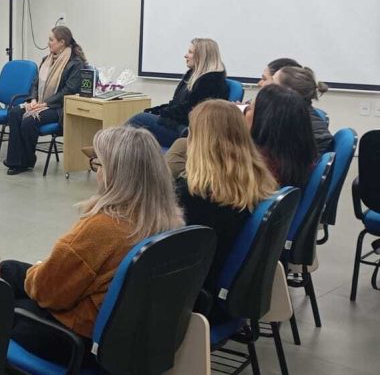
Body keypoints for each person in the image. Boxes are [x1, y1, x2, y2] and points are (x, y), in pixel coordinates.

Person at [0, 126, 184, 367]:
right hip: (129, 337)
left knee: (1, 303)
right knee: (10, 270)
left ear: (116, 174)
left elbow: (48, 295)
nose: (97, 172)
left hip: (80, 341)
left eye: (99, 165)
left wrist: (39, 270)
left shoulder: (103, 228)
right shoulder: (168, 220)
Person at [173, 100, 277, 294]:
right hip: (229, 285)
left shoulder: (195, 194)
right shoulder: (255, 179)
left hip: (194, 291)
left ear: (198, 140)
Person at [3, 26, 86, 174]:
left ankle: (27, 161)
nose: (48, 43)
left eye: (51, 40)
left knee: (29, 121)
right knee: (14, 113)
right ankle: (15, 161)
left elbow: (68, 91)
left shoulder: (75, 63)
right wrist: (33, 100)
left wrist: (45, 103)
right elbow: (35, 84)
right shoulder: (46, 60)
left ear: (62, 42)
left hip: (58, 108)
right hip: (41, 103)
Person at [127, 38, 228, 146]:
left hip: (190, 131)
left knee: (138, 120)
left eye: (190, 52)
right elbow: (177, 104)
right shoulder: (192, 75)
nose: (185, 56)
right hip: (178, 124)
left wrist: (163, 113)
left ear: (202, 56)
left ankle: (119, 152)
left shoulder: (211, 82)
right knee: (141, 123)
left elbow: (193, 112)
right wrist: (157, 110)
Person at [246, 84, 317, 187]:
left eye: (249, 108)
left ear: (264, 119)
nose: (245, 113)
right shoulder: (295, 156)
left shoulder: (259, 165)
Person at [273, 66, 332, 152]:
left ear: (288, 92)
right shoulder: (289, 115)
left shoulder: (314, 134)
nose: (266, 89)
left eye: (273, 85)